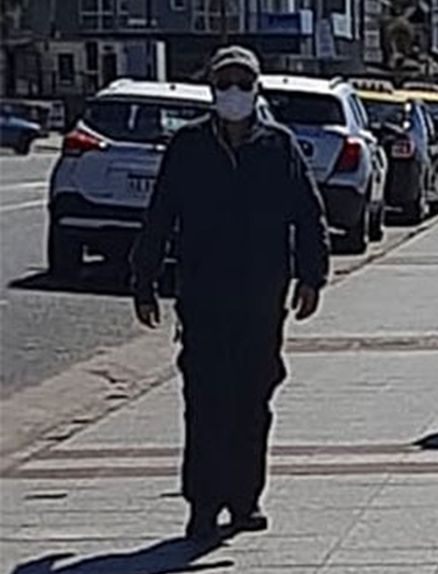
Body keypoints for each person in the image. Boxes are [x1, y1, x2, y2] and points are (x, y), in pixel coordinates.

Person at [131, 45, 329, 541]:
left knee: (252, 399)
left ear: (256, 88)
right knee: (204, 400)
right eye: (225, 83)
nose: (234, 92)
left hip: (261, 298)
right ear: (212, 89)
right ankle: (202, 502)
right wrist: (144, 279)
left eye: (243, 82)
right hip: (203, 298)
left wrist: (312, 275)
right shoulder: (189, 147)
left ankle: (245, 499)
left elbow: (308, 214)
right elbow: (160, 216)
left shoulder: (278, 147)